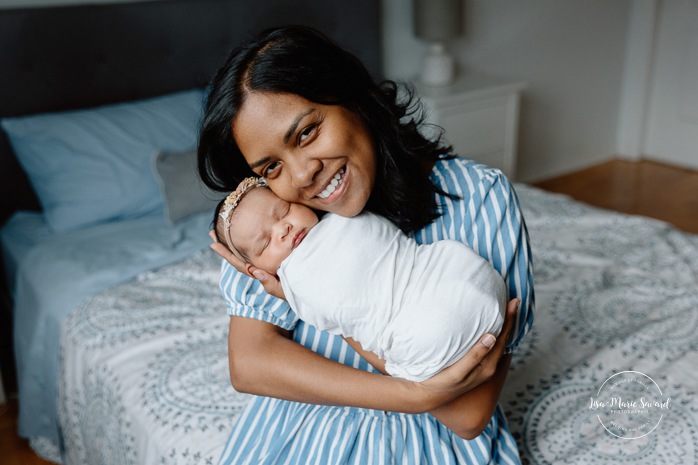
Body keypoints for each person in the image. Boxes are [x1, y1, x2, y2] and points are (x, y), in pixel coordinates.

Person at [198, 25, 534, 464]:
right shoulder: (271, 217)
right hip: (303, 432)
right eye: (272, 166)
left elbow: (467, 415)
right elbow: (251, 364)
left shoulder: (479, 196)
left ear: (353, 98)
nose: (302, 176)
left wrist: (321, 304)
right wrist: (417, 394)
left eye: (306, 133)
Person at [213, 176, 505, 382]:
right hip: (416, 332)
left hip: (443, 274)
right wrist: (290, 294)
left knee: (450, 259)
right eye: (265, 243)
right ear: (255, 268)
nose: (284, 229)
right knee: (415, 335)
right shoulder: (295, 284)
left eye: (284, 211)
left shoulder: (340, 213)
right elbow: (332, 315)